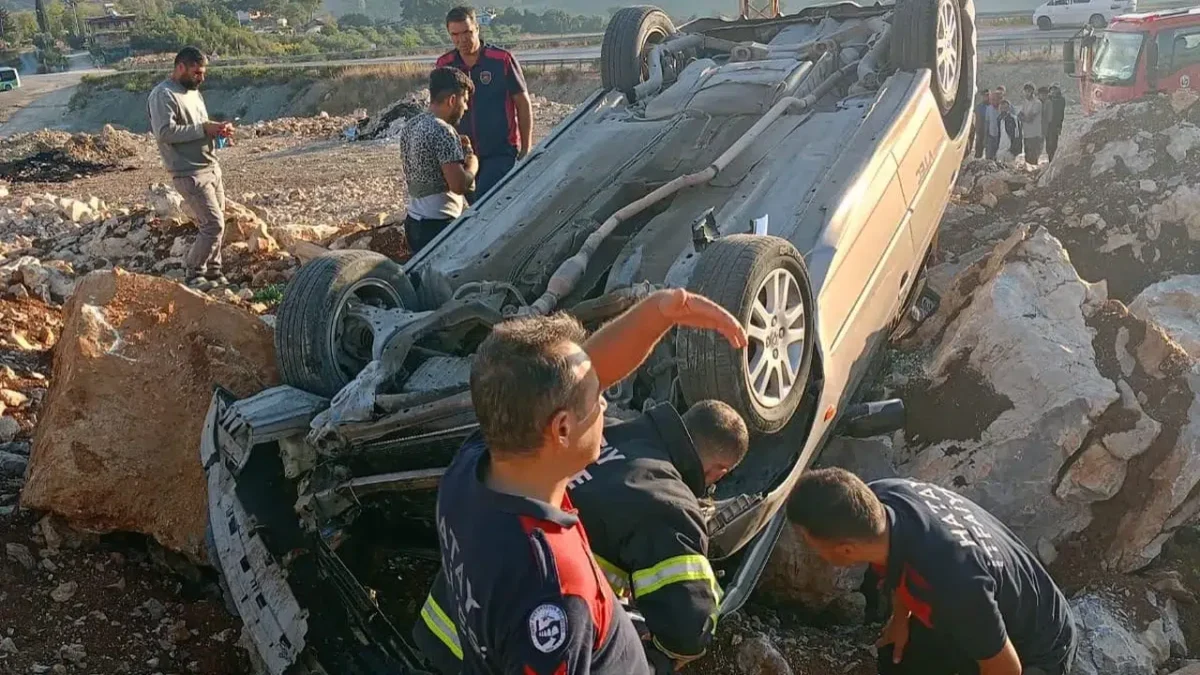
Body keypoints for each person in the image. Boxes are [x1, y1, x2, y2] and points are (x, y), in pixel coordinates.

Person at [432, 289, 747, 675]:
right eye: (597, 398)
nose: (604, 405)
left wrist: (659, 313)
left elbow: (576, 378)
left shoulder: (474, 465)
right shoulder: (554, 592)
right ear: (562, 428)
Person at [415, 399, 751, 674]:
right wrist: (658, 657)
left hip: (448, 616)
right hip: (513, 650)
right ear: (719, 471)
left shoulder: (600, 425)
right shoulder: (670, 505)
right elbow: (687, 630)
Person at [785, 468, 1078, 675]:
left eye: (809, 541)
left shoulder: (954, 584)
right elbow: (897, 559)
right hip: (985, 605)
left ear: (845, 549)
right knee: (896, 661)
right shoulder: (881, 499)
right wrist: (900, 619)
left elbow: (1005, 668)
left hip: (1038, 645)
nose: (809, 548)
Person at [147, 46, 233, 291]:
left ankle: (214, 272)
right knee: (212, 224)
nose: (201, 78)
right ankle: (194, 272)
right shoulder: (162, 95)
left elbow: (200, 127)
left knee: (219, 224)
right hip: (189, 172)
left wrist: (218, 134)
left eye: (203, 73)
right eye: (196, 73)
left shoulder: (194, 93)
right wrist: (205, 129)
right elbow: (164, 133)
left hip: (210, 166)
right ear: (180, 67)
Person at [436, 5, 533, 199]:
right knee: (473, 205)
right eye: (455, 34)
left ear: (477, 29)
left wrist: (526, 149)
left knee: (486, 199)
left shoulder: (501, 60)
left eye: (467, 32)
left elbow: (523, 104)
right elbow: (440, 110)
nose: (462, 39)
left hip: (500, 152)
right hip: (462, 153)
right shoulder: (445, 65)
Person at [399, 67, 479, 254]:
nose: (466, 108)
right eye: (464, 101)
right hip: (438, 226)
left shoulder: (411, 126)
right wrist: (472, 163)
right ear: (452, 100)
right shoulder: (443, 130)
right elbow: (459, 185)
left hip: (414, 221)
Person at [1017, 82, 1044, 167]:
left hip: (1035, 135)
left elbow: (1029, 118)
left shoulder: (1037, 103)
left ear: (1032, 91)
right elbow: (1019, 115)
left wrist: (1024, 117)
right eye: (1025, 91)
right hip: (1027, 134)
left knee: (1033, 158)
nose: (1027, 93)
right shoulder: (1025, 103)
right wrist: (1024, 117)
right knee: (1027, 158)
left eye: (1028, 91)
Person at [1045, 85, 1066, 161]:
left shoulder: (1061, 100)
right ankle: (1050, 158)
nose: (1053, 91)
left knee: (1054, 142)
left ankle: (1053, 159)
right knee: (1048, 143)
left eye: (1055, 89)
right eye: (1052, 90)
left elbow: (1061, 114)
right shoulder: (1047, 99)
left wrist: (1060, 126)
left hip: (1056, 124)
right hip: (1047, 124)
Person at [984, 89, 1002, 160]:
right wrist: (985, 137)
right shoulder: (989, 108)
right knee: (989, 157)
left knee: (999, 158)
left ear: (1000, 99)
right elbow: (987, 123)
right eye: (992, 99)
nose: (993, 101)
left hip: (1001, 137)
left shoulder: (1004, 108)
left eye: (995, 99)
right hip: (991, 136)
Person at [972, 88, 990, 159]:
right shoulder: (978, 107)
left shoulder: (993, 107)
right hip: (980, 131)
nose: (986, 97)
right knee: (978, 151)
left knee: (990, 153)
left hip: (990, 132)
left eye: (988, 95)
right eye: (985, 95)